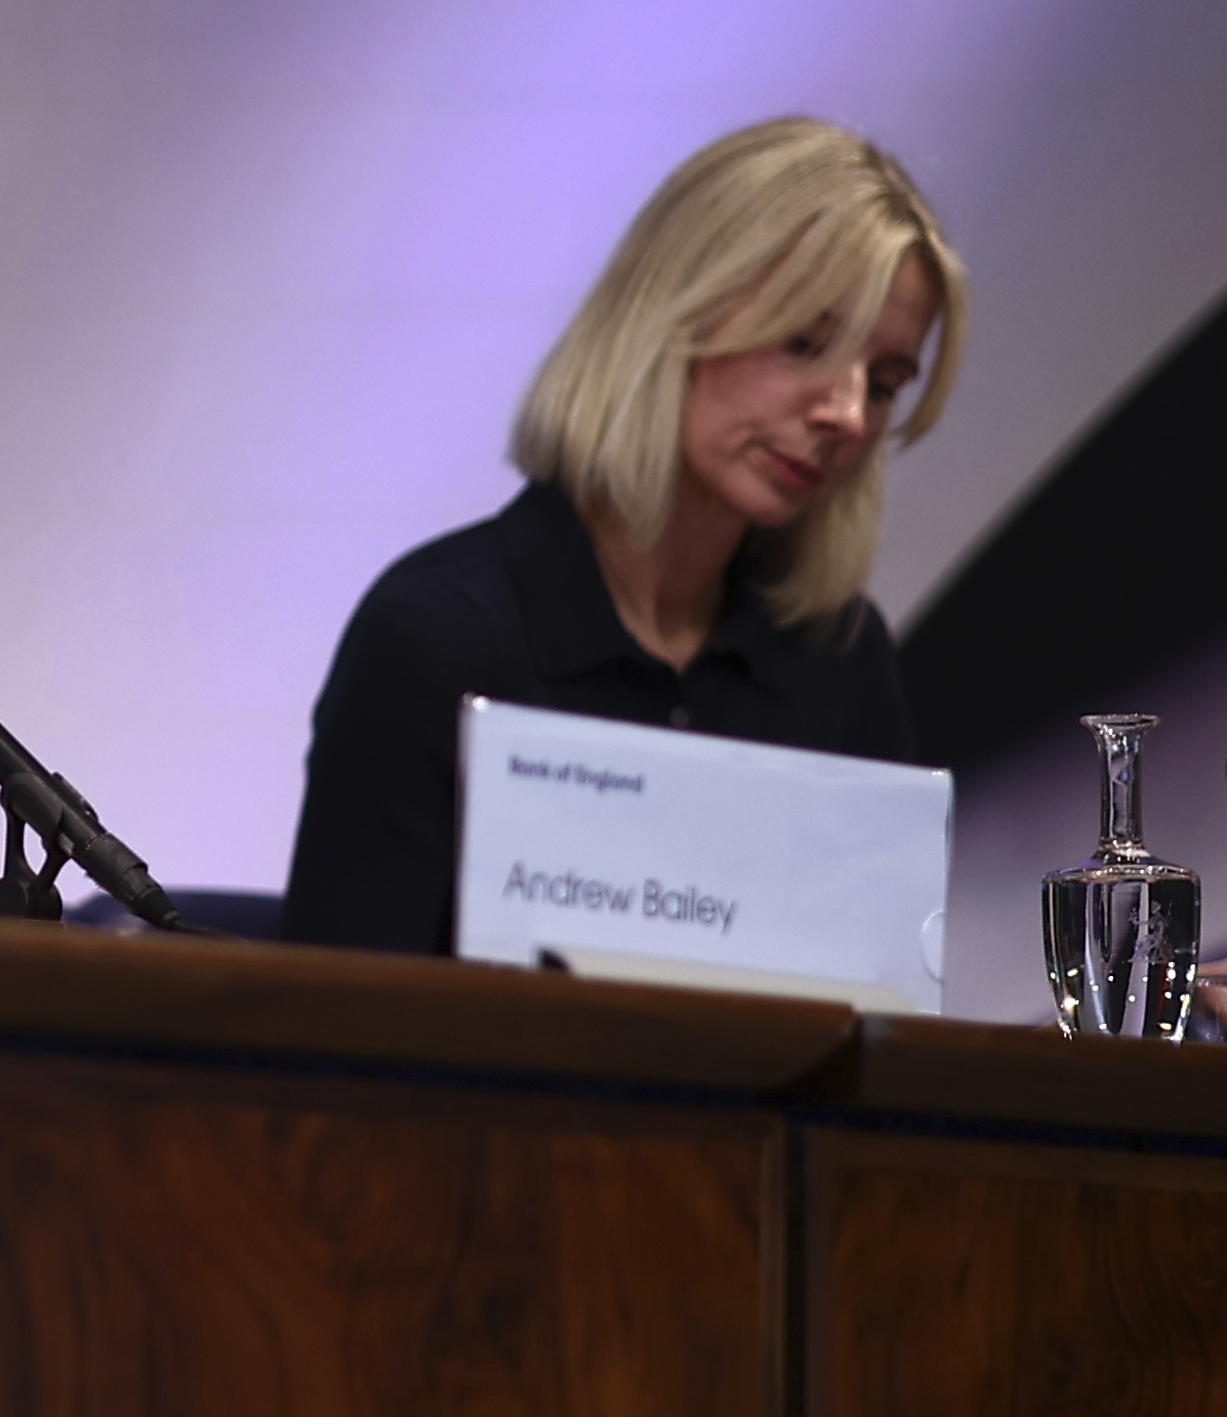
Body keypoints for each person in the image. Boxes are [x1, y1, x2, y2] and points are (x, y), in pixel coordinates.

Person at [279, 119, 965, 952]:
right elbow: (338, 1035)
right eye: (805, 343)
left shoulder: (842, 659)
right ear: (673, 310)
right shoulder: (435, 634)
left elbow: (874, 1029)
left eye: (885, 384)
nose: (847, 414)